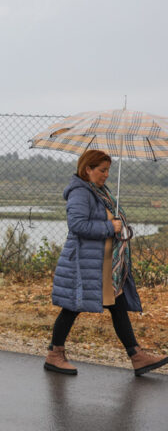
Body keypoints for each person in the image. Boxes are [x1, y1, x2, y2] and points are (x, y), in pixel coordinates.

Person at [45, 149, 168, 376]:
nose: (107, 175)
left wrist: (116, 222)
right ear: (87, 169)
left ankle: (136, 356)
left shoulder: (98, 192)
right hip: (84, 263)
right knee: (72, 307)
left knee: (117, 304)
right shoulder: (80, 193)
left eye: (108, 170)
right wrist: (109, 227)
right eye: (102, 170)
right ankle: (55, 354)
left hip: (102, 263)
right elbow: (77, 225)